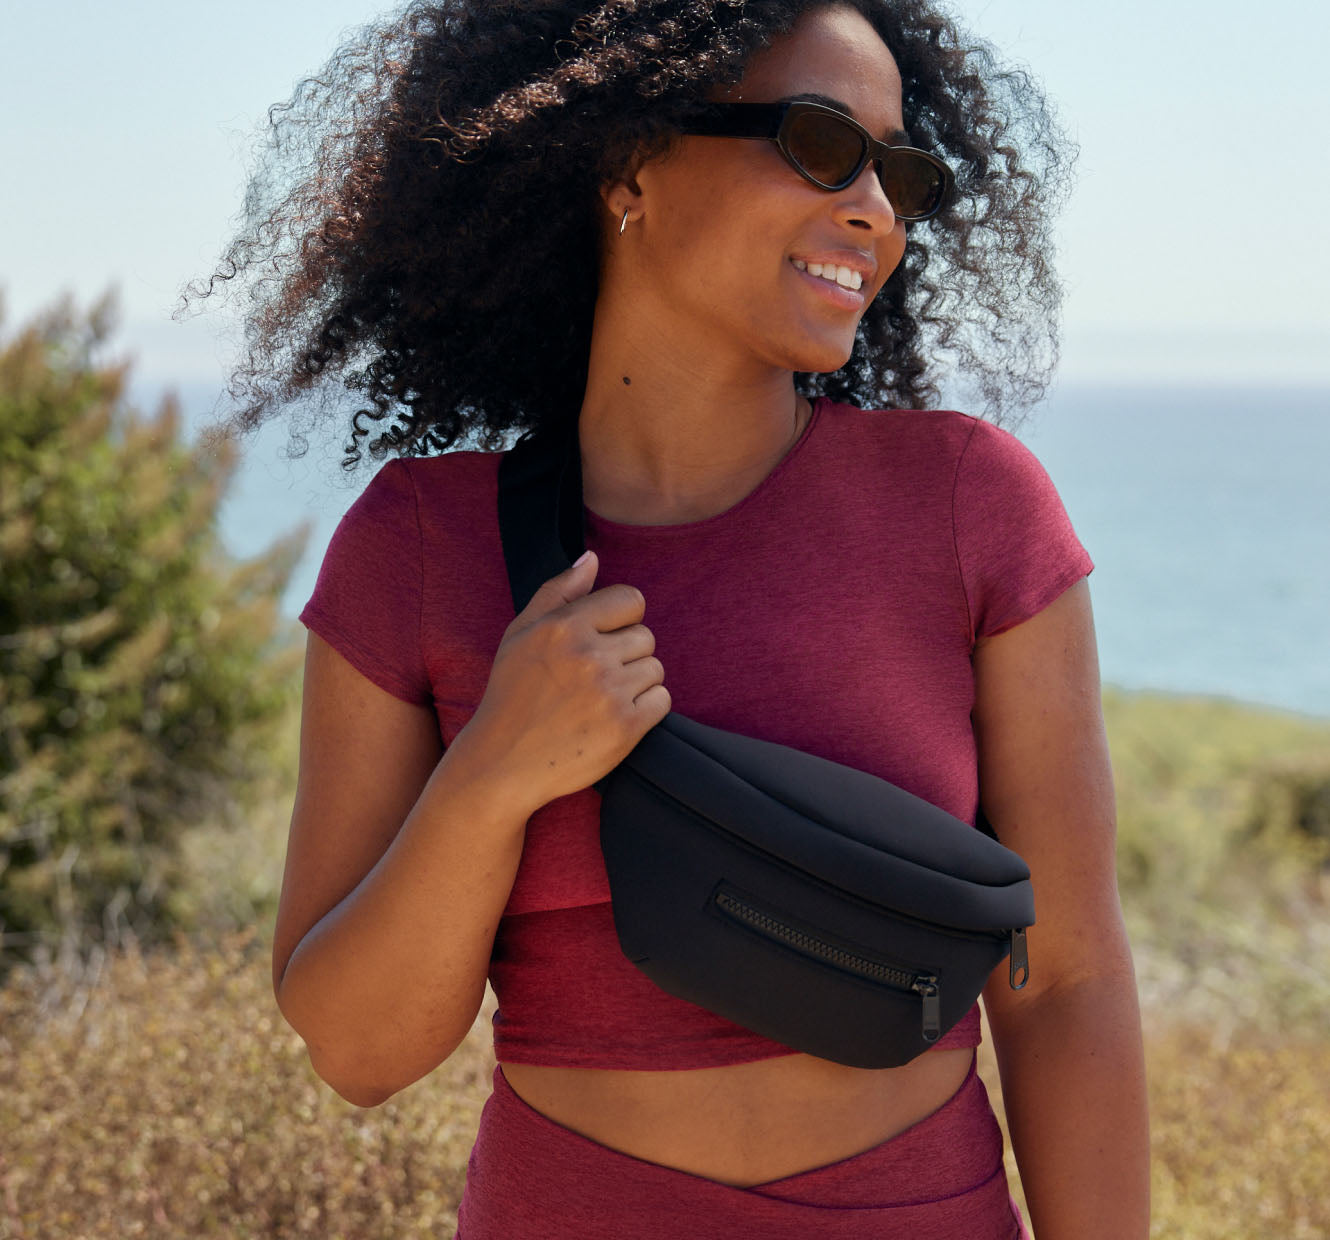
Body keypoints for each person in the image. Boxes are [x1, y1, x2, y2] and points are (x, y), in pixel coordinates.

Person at [204, 0, 1148, 1234]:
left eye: (900, 170)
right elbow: (358, 1050)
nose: (875, 209)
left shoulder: (970, 504)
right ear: (628, 164)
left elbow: (1065, 985)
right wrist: (493, 773)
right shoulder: (420, 547)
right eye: (818, 144)